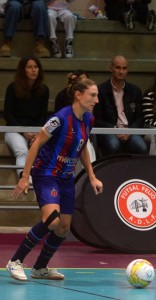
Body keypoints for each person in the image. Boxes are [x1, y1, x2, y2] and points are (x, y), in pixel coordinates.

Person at [6, 77, 103, 281]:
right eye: (93, 95)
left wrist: (92, 176)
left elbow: (82, 146)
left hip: (66, 177)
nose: (97, 100)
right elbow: (36, 143)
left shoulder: (88, 119)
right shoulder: (60, 119)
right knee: (52, 220)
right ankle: (15, 261)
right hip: (46, 173)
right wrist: (25, 176)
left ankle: (40, 267)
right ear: (79, 95)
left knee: (64, 226)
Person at [4, 55, 49, 181]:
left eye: (36, 67)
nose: (33, 70)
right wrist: (23, 132)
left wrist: (36, 133)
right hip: (14, 129)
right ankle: (24, 178)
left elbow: (42, 116)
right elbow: (8, 114)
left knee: (47, 147)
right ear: (23, 70)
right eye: (29, 67)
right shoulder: (12, 88)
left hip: (36, 130)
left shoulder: (44, 90)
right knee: (22, 150)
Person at [94, 55, 148, 156]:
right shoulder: (100, 90)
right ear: (111, 68)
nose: (121, 71)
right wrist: (115, 129)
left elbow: (139, 118)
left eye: (124, 68)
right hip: (110, 130)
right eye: (118, 67)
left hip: (129, 130)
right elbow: (98, 119)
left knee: (141, 147)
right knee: (113, 145)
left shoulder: (135, 90)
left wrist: (130, 131)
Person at [54, 69, 96, 163]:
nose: (96, 101)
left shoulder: (89, 116)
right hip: (64, 136)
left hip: (82, 137)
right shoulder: (62, 113)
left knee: (89, 151)